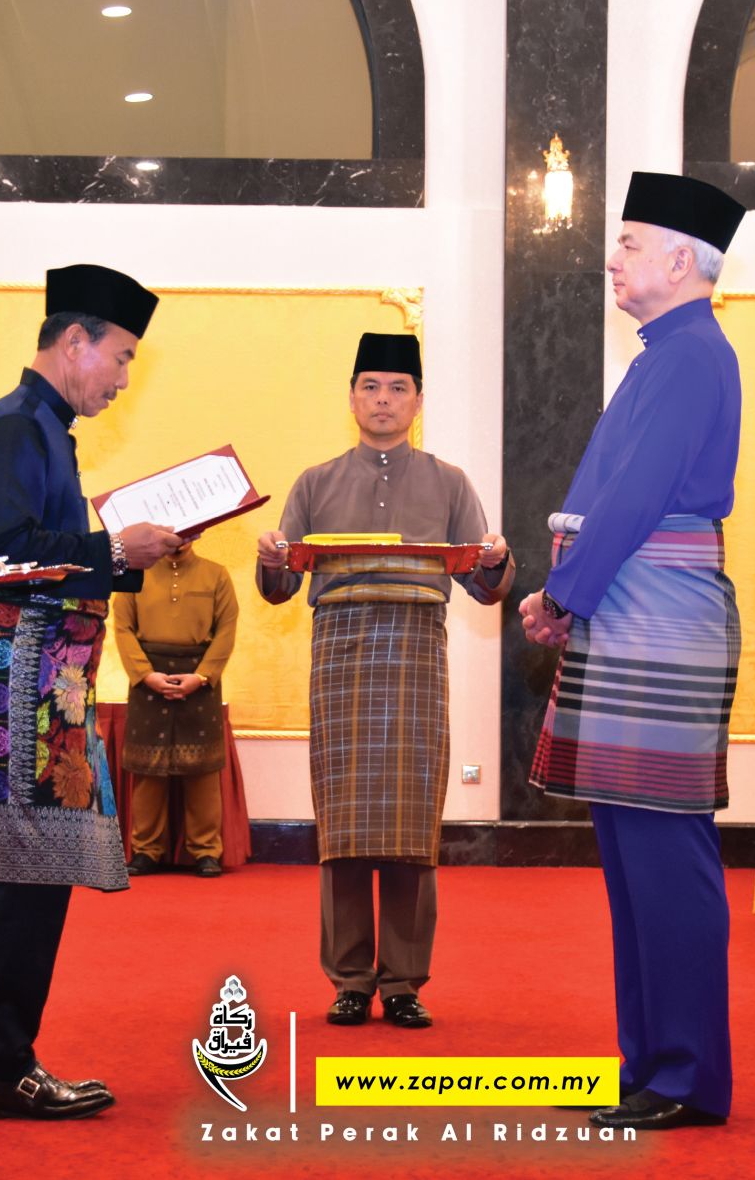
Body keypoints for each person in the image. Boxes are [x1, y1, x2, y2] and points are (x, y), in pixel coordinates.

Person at [521, 171, 744, 1131]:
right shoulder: (667, 354)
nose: (612, 257)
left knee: (663, 853)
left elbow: (640, 494)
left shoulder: (690, 355)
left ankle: (687, 1074)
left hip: (654, 610)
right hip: (634, 605)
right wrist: (569, 590)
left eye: (629, 241)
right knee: (631, 852)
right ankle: (650, 1062)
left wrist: (562, 595)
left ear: (682, 260)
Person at [0, 264, 182, 1119]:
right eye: (120, 358)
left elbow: (42, 548)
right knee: (26, 869)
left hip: (47, 674)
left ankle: (3, 1059)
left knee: (36, 869)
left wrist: (117, 553)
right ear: (75, 341)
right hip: (23, 674)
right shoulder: (18, 426)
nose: (122, 380)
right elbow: (3, 549)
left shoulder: (46, 428)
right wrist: (115, 549)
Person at [256, 332, 513, 1029]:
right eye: (370, 386)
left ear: (418, 401)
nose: (383, 399)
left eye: (398, 388)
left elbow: (486, 585)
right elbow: (280, 586)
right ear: (351, 397)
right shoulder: (314, 483)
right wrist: (271, 558)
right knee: (343, 825)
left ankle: (402, 982)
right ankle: (349, 980)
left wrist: (497, 557)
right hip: (339, 659)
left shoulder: (450, 483)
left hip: (415, 658)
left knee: (409, 824)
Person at [112, 539, 239, 877]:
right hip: (148, 680)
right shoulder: (133, 574)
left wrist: (202, 676)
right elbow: (122, 628)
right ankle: (145, 850)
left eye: (186, 531)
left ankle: (206, 851)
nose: (179, 538)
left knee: (203, 771)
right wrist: (145, 674)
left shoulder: (217, 575)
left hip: (200, 679)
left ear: (199, 532)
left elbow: (226, 630)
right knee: (147, 770)